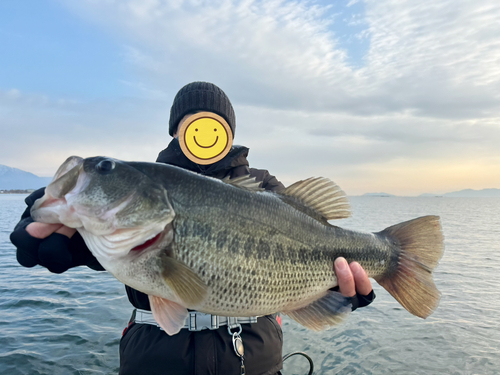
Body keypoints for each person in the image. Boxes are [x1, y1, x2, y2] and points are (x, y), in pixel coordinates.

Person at [10, 82, 375, 375]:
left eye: (214, 124)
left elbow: (315, 240)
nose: (204, 132)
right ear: (176, 130)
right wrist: (66, 234)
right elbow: (112, 239)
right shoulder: (148, 182)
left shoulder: (264, 186)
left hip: (254, 361)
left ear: (228, 131)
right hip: (153, 362)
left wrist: (339, 295)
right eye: (193, 123)